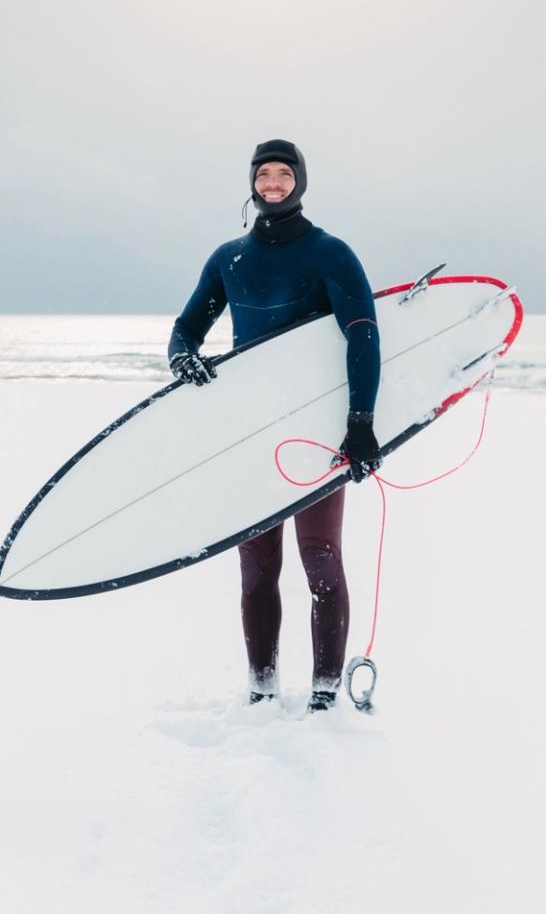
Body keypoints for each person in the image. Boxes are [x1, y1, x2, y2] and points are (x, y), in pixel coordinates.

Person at [167, 139, 382, 712]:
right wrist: (182, 356)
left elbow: (362, 331)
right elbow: (186, 328)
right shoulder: (228, 259)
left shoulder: (329, 252)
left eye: (284, 174)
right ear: (252, 183)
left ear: (300, 182)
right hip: (251, 433)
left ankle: (324, 693)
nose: (273, 183)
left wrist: (360, 421)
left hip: (315, 431)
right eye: (264, 174)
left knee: (321, 561)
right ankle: (261, 689)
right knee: (257, 569)